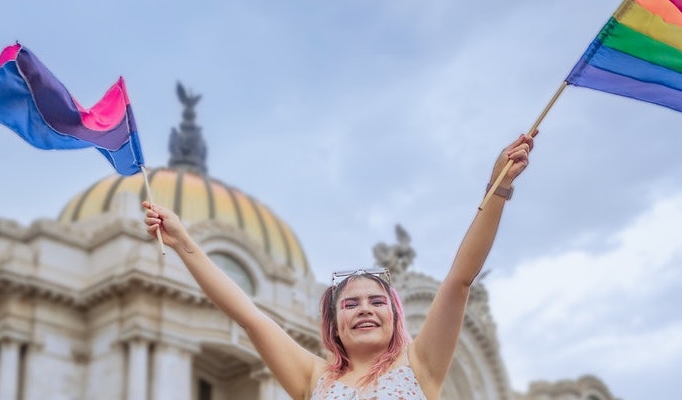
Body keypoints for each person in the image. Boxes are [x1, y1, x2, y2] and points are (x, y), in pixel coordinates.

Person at [143, 132, 534, 399]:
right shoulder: (314, 379)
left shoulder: (420, 365)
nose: (364, 308)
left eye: (376, 301)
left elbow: (459, 281)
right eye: (350, 303)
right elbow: (249, 316)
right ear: (334, 324)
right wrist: (182, 241)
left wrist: (497, 189)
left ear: (396, 316)